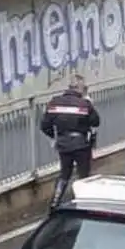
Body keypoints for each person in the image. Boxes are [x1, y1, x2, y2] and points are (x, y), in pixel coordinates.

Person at [41, 74, 101, 209]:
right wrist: (89, 103)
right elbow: (96, 122)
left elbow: (44, 126)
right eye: (84, 87)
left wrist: (55, 137)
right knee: (83, 174)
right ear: (79, 88)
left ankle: (55, 202)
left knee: (64, 173)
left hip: (63, 144)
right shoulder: (84, 104)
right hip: (81, 144)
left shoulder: (54, 102)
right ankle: (82, 202)